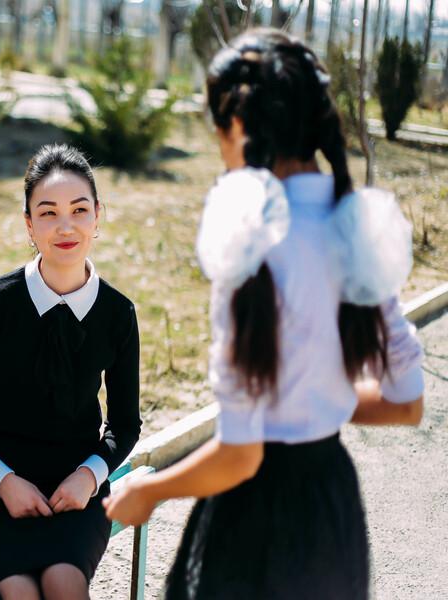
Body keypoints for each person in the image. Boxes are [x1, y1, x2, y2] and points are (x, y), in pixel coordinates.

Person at [103, 29, 425, 600]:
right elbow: (406, 403)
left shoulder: (248, 248)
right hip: (331, 510)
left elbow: (240, 457)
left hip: (254, 527)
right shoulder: (358, 231)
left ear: (238, 126)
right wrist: (316, 400)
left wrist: (148, 492)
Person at [0, 144, 142, 600]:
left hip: (78, 494)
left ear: (97, 216)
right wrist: (2, 481)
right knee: (20, 592)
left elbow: (126, 425)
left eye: (79, 210)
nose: (65, 226)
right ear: (29, 224)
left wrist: (90, 475)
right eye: (48, 213)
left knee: (64, 585)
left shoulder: (118, 313)